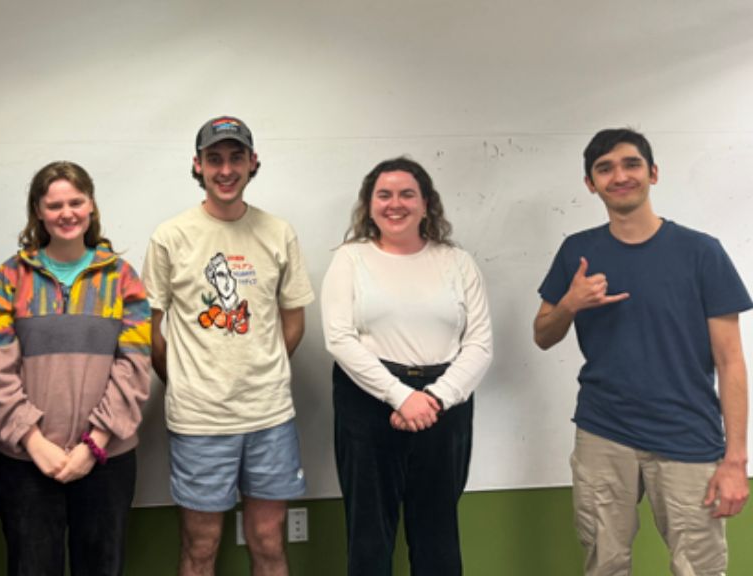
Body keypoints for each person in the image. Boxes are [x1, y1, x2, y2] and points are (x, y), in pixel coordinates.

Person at [533, 128, 751, 576]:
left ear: (653, 173)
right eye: (605, 168)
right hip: (603, 434)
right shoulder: (579, 252)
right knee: (604, 564)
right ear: (591, 185)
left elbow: (731, 362)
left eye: (631, 164)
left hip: (688, 436)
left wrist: (735, 460)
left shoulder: (701, 253)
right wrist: (571, 304)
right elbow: (542, 334)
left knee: (700, 570)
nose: (620, 176)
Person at [143, 116, 315, 576]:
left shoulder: (278, 232)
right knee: (201, 546)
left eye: (235, 157)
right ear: (197, 166)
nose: (225, 169)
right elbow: (151, 329)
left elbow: (293, 320)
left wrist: (264, 365)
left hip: (270, 415)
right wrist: (184, 380)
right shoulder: (171, 236)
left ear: (252, 162)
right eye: (214, 159)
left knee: (268, 542)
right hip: (199, 419)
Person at [0, 161, 151, 576]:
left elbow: (135, 366)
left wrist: (94, 445)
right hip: (27, 462)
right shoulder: (10, 278)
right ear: (38, 211)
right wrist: (34, 442)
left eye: (76, 201)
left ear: (91, 206)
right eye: (54, 204)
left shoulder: (122, 278)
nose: (66, 213)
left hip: (106, 460)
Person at [321, 157, 493, 575]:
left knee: (437, 532)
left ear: (426, 203)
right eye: (384, 194)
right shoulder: (350, 259)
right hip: (367, 399)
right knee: (368, 533)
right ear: (369, 204)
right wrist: (400, 396)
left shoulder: (458, 262)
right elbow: (339, 338)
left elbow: (480, 344)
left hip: (444, 402)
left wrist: (432, 398)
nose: (394, 204)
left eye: (406, 194)